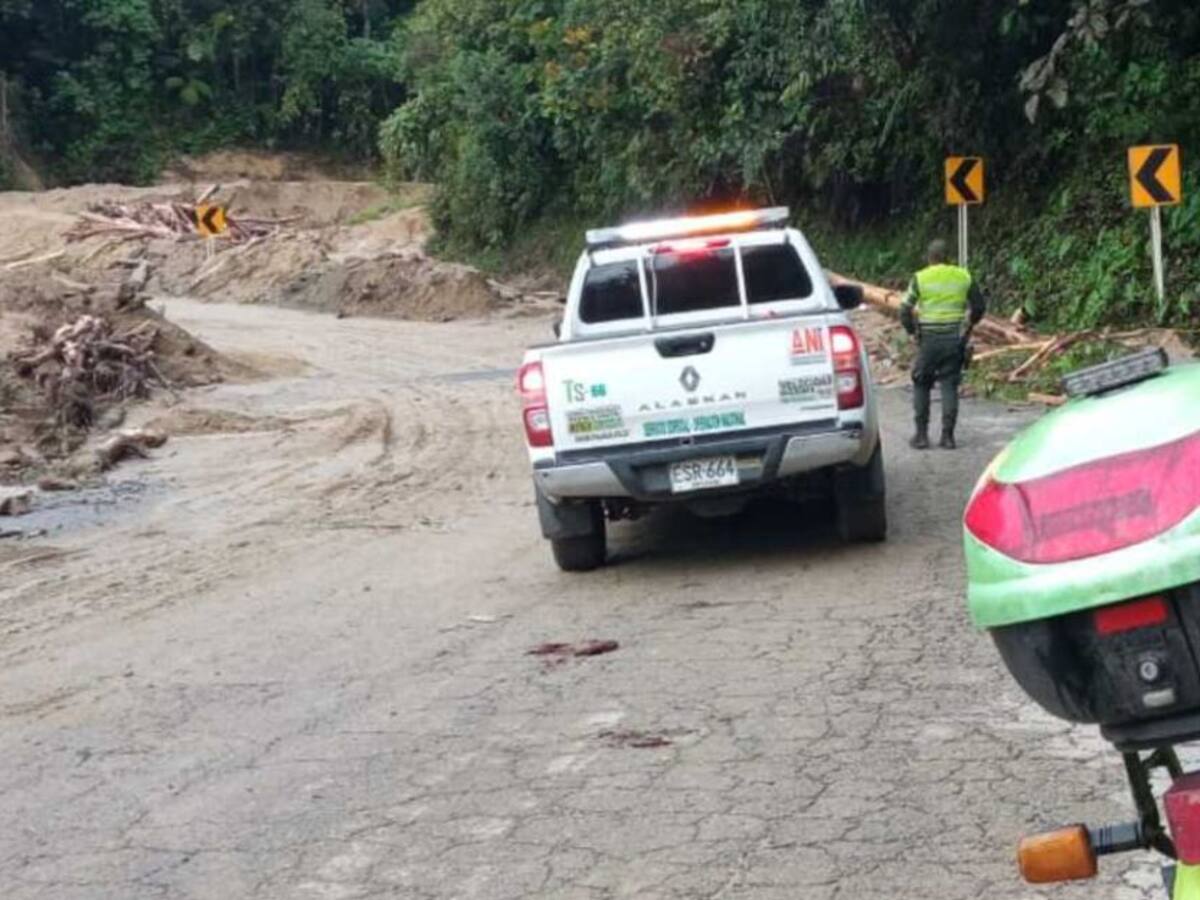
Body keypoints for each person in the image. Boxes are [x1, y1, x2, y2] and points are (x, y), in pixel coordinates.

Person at [900, 239, 986, 450]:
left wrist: (912, 332)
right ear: (949, 258)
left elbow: (905, 309)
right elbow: (979, 306)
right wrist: (969, 326)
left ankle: (921, 436)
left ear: (929, 258)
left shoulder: (920, 277)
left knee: (922, 382)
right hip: (953, 340)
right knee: (949, 384)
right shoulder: (963, 276)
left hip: (928, 340)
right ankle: (948, 437)